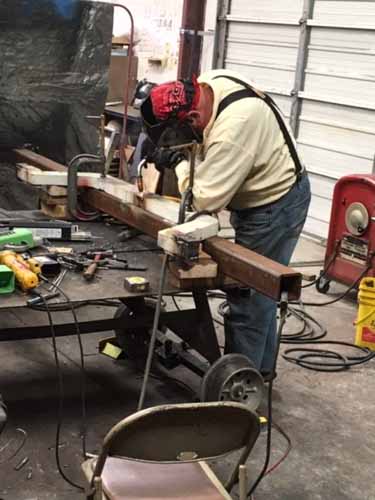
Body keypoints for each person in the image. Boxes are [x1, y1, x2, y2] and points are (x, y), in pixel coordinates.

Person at [140, 68, 311, 379]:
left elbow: (205, 200)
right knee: (262, 294)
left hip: (276, 205)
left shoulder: (234, 129)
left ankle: (238, 387)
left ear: (192, 117)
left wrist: (178, 163)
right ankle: (261, 372)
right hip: (260, 196)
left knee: (249, 294)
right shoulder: (211, 83)